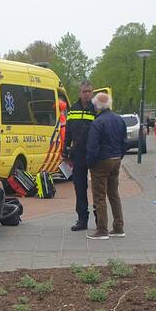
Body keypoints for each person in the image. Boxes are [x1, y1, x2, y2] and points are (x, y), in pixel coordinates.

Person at [85, 91, 127, 240]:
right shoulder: (119, 119)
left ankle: (102, 229)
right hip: (116, 159)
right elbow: (124, 141)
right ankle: (118, 227)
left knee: (100, 196)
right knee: (114, 194)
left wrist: (90, 163)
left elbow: (92, 146)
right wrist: (120, 155)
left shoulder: (97, 122)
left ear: (97, 105)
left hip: (101, 161)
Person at [63, 81, 99, 231]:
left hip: (94, 153)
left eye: (89, 91)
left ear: (92, 92)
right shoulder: (73, 109)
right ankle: (82, 219)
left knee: (97, 187)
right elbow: (68, 131)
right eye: (84, 92)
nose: (86, 94)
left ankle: (99, 219)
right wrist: (65, 149)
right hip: (78, 153)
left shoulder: (96, 109)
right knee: (79, 187)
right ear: (80, 92)